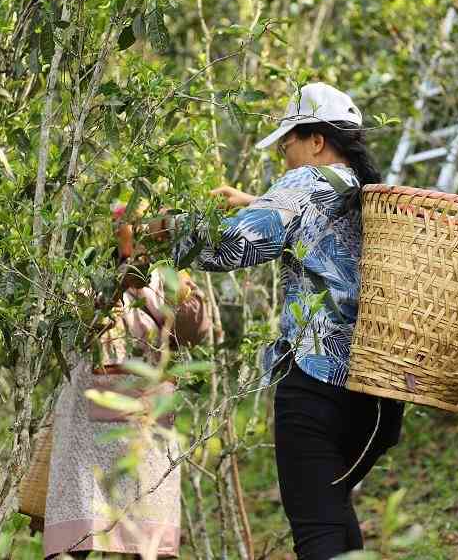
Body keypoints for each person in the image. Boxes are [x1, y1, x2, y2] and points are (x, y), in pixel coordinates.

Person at [153, 82, 405, 560]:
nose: (283, 156)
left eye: (288, 143)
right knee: (333, 515)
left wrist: (163, 228)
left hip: (316, 383)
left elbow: (233, 246)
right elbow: (317, 232)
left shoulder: (304, 183)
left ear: (316, 142)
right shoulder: (361, 189)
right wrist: (254, 202)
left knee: (317, 532)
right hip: (375, 396)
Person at [42, 205, 212, 560]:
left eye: (142, 224)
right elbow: (75, 325)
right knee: (78, 532)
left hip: (147, 417)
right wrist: (120, 277)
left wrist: (178, 288)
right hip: (87, 423)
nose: (137, 231)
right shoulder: (88, 272)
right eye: (129, 224)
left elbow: (195, 331)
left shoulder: (169, 277)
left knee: (148, 537)